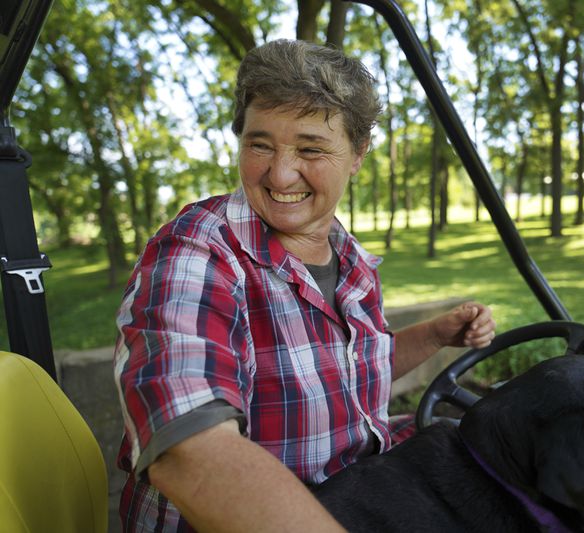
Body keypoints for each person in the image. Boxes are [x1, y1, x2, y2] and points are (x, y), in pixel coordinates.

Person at [113, 39, 496, 532]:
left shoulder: (351, 258)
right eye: (260, 144)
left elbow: (345, 372)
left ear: (357, 155)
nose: (280, 172)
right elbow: (188, 447)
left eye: (310, 148)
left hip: (359, 494)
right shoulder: (196, 252)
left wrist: (437, 335)